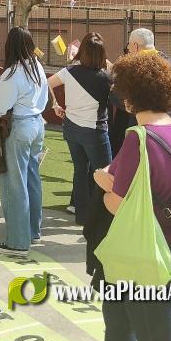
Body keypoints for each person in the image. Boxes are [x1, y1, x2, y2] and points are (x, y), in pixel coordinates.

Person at [93, 52, 171, 341]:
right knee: (120, 323)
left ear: (129, 97)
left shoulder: (138, 138)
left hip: (146, 256)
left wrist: (102, 182)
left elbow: (117, 205)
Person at [0, 26, 47, 254]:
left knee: (15, 184)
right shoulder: (37, 66)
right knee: (32, 178)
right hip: (37, 124)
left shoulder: (11, 74)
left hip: (19, 127)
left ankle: (17, 241)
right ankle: (32, 231)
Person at [48, 32, 112, 226]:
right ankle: (104, 216)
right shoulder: (106, 77)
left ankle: (82, 216)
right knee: (106, 174)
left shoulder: (69, 71)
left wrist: (55, 105)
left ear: (82, 50)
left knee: (80, 172)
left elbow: (46, 83)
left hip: (71, 129)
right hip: (94, 132)